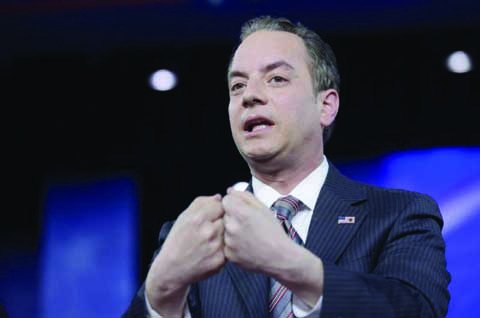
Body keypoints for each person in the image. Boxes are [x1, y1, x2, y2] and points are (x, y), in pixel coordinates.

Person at [122, 16, 450, 318]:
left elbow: (416, 310)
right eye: (237, 86)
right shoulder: (199, 235)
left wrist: (289, 264)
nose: (249, 95)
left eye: (276, 79)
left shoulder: (399, 215)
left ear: (326, 106)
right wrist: (161, 291)